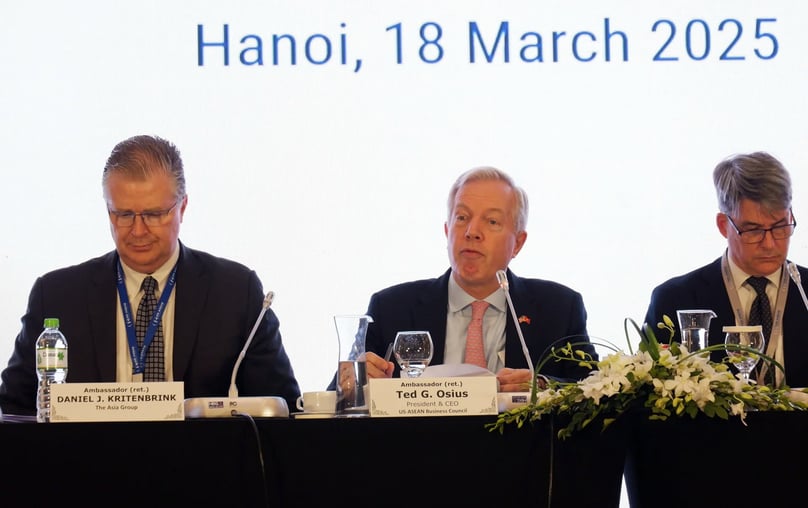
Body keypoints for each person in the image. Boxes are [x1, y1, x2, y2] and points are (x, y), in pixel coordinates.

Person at [0, 134, 301, 415]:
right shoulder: (57, 296)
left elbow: (282, 408)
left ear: (182, 207)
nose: (139, 230)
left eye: (155, 214)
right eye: (125, 215)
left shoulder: (235, 292)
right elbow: (13, 409)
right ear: (108, 212)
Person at [340, 166, 595, 392]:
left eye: (492, 221)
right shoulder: (392, 309)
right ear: (447, 230)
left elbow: (594, 388)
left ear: (518, 243)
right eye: (462, 218)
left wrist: (542, 386)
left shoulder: (558, 309)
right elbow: (340, 396)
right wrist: (354, 384)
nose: (472, 232)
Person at [644, 151, 808, 388]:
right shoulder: (676, 299)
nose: (770, 243)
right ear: (724, 225)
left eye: (780, 227)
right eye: (753, 230)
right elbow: (651, 397)